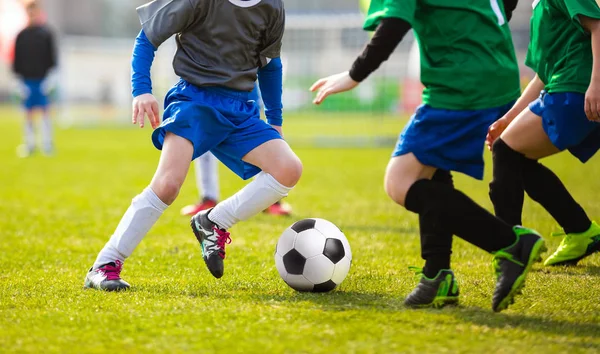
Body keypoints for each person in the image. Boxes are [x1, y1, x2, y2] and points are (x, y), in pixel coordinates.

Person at [310, 0, 546, 312]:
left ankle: (512, 244)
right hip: (495, 68)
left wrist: (353, 75)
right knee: (429, 167)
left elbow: (394, 24)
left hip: (464, 79)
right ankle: (437, 275)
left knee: (400, 182)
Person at [84, 0, 301, 291]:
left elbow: (271, 65)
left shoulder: (272, 6)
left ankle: (214, 222)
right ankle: (105, 265)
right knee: (168, 184)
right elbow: (147, 37)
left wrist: (275, 121)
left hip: (239, 109)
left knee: (288, 169)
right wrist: (142, 90)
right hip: (194, 102)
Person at [486, 0, 600, 267]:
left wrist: (596, 85)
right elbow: (543, 75)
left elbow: (598, 26)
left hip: (576, 90)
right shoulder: (539, 6)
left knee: (505, 151)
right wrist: (508, 118)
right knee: (514, 156)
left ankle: (510, 248)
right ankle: (581, 230)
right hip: (563, 86)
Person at [181, 84, 293, 217]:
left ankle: (271, 201)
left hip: (245, 94)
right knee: (203, 142)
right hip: (208, 93)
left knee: (260, 142)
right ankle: (208, 198)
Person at [12, 0, 56, 157]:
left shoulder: (46, 34)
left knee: (45, 111)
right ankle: (29, 143)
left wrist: (51, 78)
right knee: (28, 112)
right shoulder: (21, 35)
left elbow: (52, 58)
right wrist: (18, 81)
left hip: (43, 79)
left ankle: (47, 143)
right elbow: (16, 61)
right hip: (26, 80)